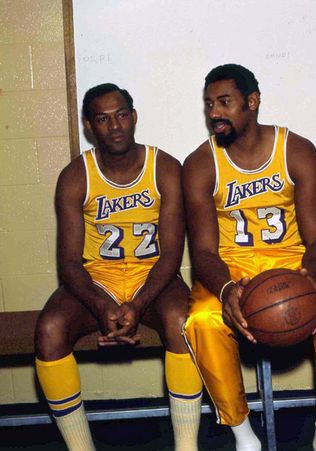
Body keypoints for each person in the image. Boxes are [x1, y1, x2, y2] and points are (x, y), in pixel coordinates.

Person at [182, 63, 316, 451]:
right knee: (202, 318)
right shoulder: (200, 163)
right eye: (209, 104)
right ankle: (244, 437)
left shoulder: (295, 149)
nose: (215, 112)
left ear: (252, 102)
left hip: (296, 265)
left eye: (225, 102)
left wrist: (310, 279)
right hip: (233, 270)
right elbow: (202, 252)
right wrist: (228, 288)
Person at [34, 83, 203, 451]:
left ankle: (187, 446)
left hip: (154, 277)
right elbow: (69, 263)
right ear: (89, 126)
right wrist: (100, 305)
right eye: (103, 118)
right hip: (99, 279)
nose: (115, 126)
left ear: (134, 116)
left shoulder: (166, 167)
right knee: (49, 329)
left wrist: (138, 304)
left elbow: (172, 254)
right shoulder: (76, 176)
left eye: (122, 115)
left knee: (183, 322)